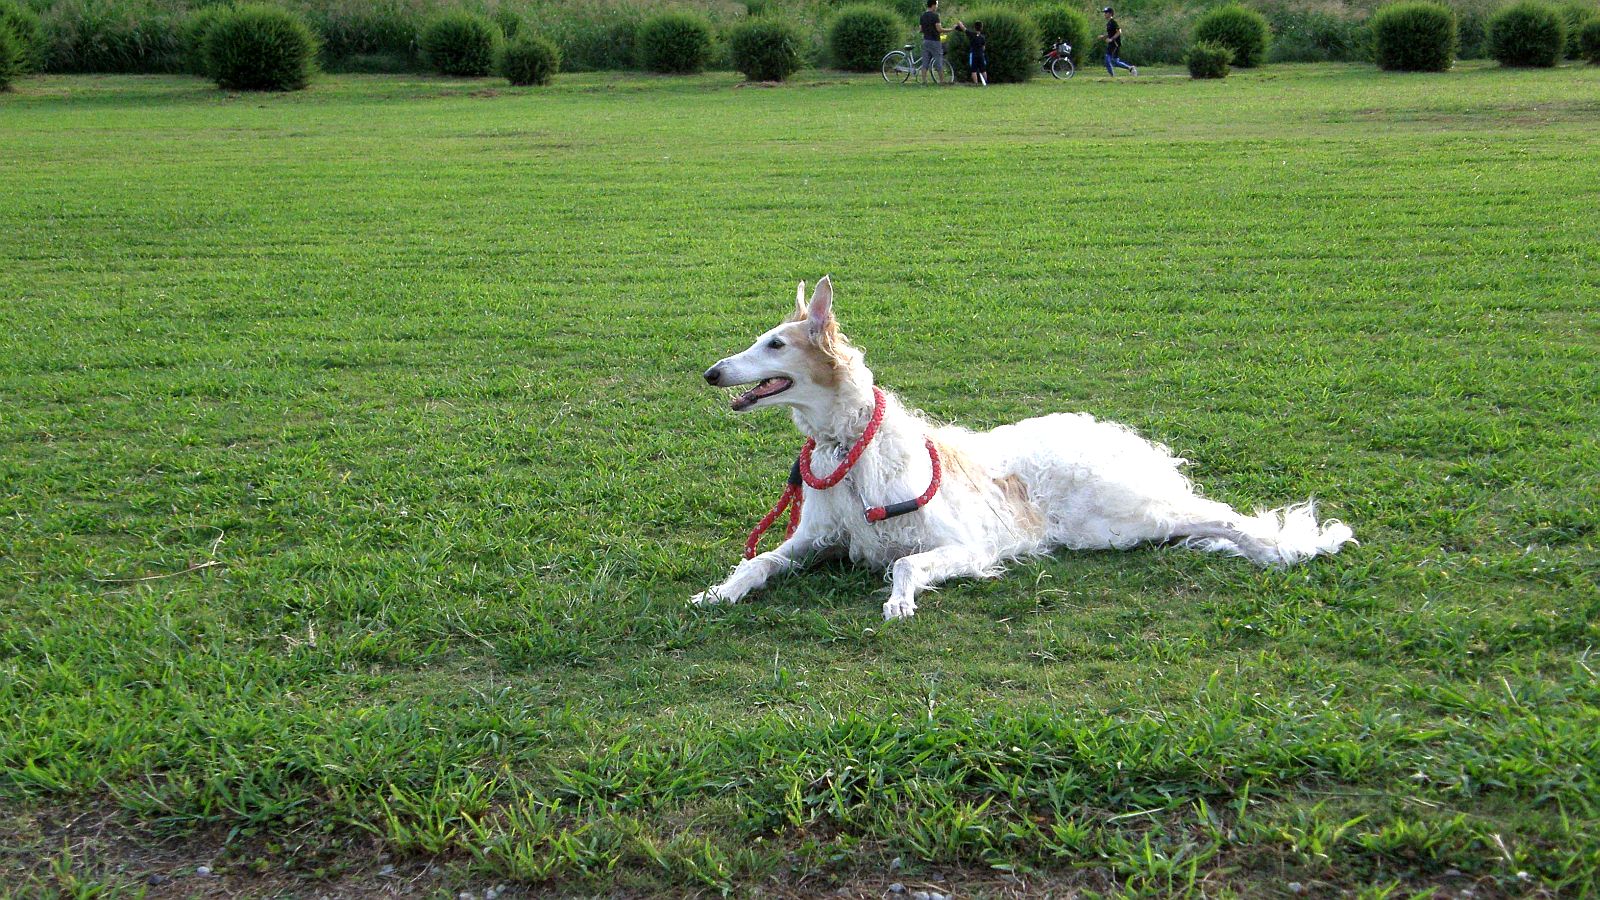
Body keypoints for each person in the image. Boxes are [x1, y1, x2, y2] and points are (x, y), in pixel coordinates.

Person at [918, 0, 961, 84]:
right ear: (933, 5)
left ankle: (924, 81)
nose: (937, 6)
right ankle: (942, 81)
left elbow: (920, 29)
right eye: (937, 4)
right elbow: (939, 29)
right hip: (935, 41)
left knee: (925, 62)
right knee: (938, 61)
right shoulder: (935, 16)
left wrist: (927, 31)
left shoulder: (922, 16)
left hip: (926, 41)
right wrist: (951, 29)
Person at [1102, 7, 1137, 77]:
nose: (1105, 14)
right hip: (1112, 44)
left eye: (1106, 13)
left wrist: (1111, 39)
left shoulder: (1113, 22)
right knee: (1115, 62)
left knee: (1107, 59)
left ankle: (1112, 76)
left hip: (1114, 44)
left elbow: (1119, 31)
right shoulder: (1109, 23)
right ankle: (1130, 68)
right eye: (1104, 13)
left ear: (1110, 14)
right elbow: (1111, 34)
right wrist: (1104, 36)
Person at [965, 20, 988, 86]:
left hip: (973, 54)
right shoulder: (982, 37)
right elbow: (983, 48)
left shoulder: (971, 34)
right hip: (981, 55)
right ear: (981, 28)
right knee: (983, 70)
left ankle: (976, 83)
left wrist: (959, 23)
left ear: (974, 27)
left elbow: (964, 28)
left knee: (973, 70)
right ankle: (985, 83)